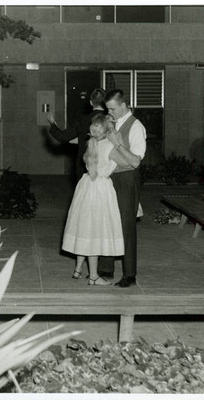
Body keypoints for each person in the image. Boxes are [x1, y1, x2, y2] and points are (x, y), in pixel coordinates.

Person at [62, 113, 130, 286]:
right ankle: (93, 275)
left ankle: (78, 269)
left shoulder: (90, 143)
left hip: (86, 186)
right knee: (95, 230)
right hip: (101, 189)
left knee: (84, 227)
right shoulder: (110, 146)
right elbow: (129, 163)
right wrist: (119, 142)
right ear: (109, 130)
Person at [97, 89, 147, 288]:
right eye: (108, 109)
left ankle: (129, 274)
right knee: (107, 221)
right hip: (110, 177)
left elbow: (136, 161)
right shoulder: (112, 122)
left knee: (126, 224)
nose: (110, 112)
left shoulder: (136, 126)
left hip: (127, 179)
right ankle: (106, 268)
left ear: (124, 105)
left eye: (113, 109)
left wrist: (117, 144)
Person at [46, 88, 107, 182]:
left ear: (91, 102)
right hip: (105, 164)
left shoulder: (82, 119)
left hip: (84, 164)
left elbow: (63, 137)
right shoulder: (109, 119)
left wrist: (52, 124)